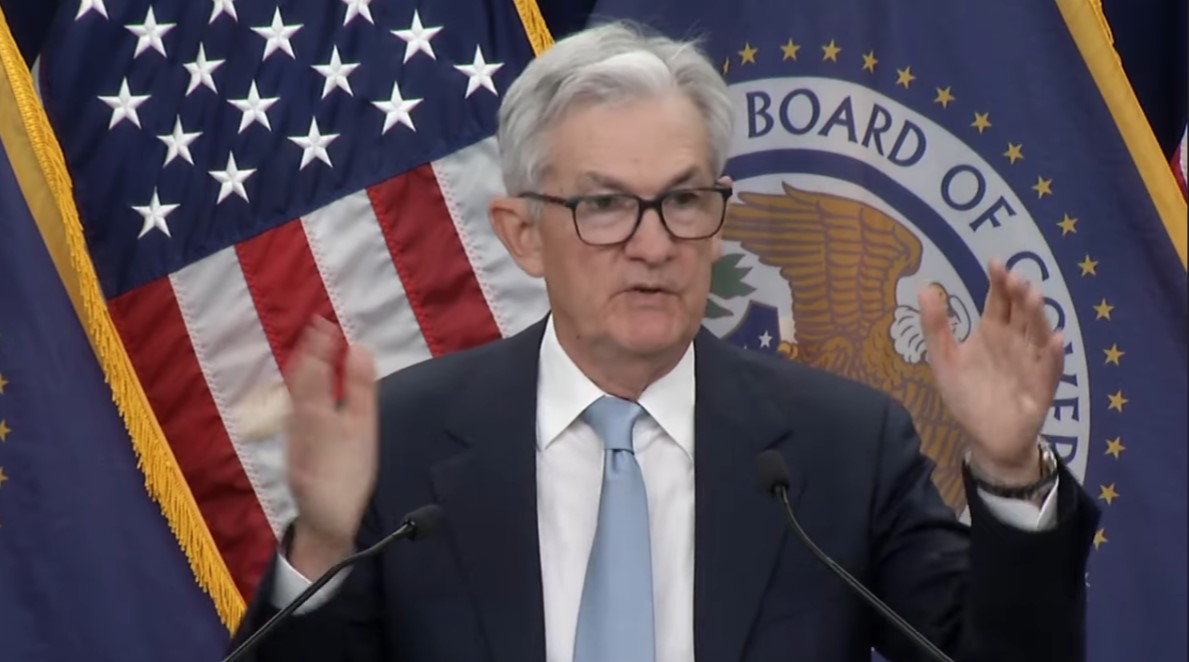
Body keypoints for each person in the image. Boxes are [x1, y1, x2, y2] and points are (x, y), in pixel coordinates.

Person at [229, 20, 1099, 662]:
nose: (653, 244)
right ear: (522, 234)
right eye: (606, 205)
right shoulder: (404, 442)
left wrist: (1008, 474)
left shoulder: (840, 448)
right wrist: (323, 547)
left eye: (683, 201)